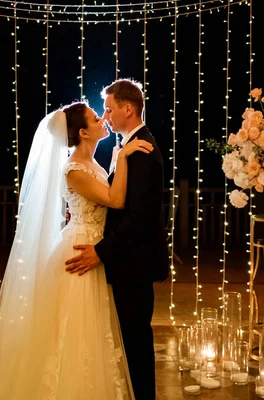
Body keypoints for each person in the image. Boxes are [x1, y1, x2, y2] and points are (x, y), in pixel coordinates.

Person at [0, 101, 153, 400]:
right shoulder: (73, 170)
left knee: (92, 331)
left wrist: (119, 158)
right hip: (79, 250)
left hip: (95, 248)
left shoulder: (93, 163)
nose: (103, 118)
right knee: (72, 328)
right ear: (83, 132)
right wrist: (126, 156)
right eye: (95, 118)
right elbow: (115, 202)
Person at [65, 79, 170, 399]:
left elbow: (140, 217)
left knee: (136, 340)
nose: (105, 116)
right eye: (101, 113)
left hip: (132, 261)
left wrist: (101, 251)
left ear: (128, 109)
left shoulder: (142, 150)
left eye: (109, 110)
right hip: (119, 261)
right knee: (120, 339)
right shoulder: (125, 148)